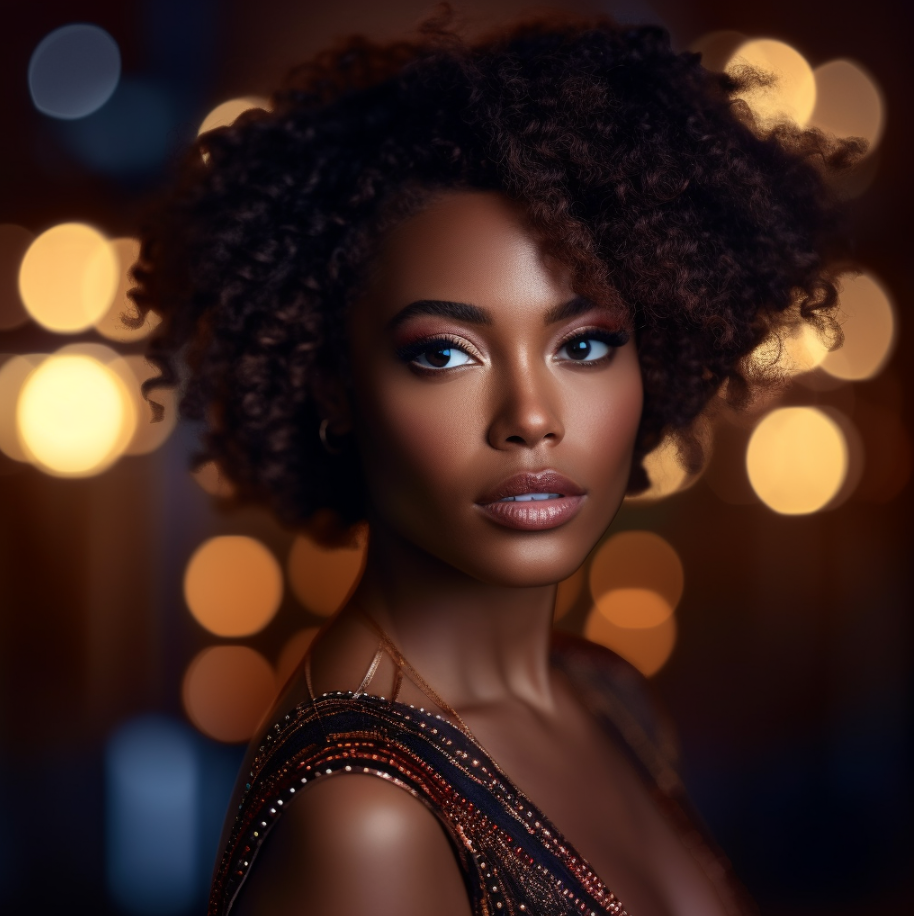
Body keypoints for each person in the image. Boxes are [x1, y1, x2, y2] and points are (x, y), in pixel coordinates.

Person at [132, 10, 858, 915]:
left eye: (585, 345)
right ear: (331, 385)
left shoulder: (606, 696)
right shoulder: (368, 814)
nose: (531, 419)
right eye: (443, 354)